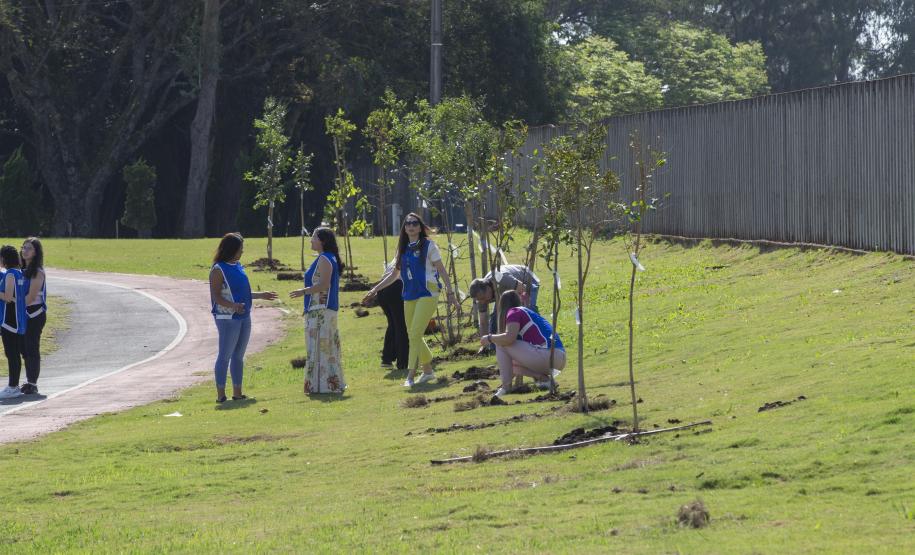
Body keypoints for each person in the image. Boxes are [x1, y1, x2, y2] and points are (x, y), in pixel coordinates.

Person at [363, 213, 458, 387]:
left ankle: (410, 376)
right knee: (412, 334)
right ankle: (428, 370)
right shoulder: (403, 248)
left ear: (420, 227)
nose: (411, 226)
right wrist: (375, 289)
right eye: (408, 224)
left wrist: (450, 293)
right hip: (409, 294)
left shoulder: (429, 246)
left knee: (414, 333)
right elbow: (394, 274)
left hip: (428, 293)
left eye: (414, 223)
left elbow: (442, 271)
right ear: (404, 228)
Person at [209, 233, 277, 403]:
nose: (242, 252)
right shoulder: (218, 269)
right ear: (231, 250)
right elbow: (216, 296)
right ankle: (220, 395)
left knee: (238, 356)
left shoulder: (238, 266)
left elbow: (243, 293)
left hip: (244, 315)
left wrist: (261, 295)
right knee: (225, 355)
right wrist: (233, 306)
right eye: (240, 249)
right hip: (227, 318)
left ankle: (238, 392)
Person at [290, 227, 347, 394]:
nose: (311, 240)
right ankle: (325, 385)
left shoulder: (325, 259)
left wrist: (303, 292)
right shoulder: (327, 257)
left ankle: (324, 387)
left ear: (322, 241)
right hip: (319, 309)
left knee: (320, 348)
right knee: (325, 347)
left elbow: (324, 285)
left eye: (313, 237)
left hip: (322, 310)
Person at [479, 290, 565, 398]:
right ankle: (543, 379)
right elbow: (509, 364)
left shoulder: (514, 312)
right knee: (510, 360)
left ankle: (506, 388)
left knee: (500, 343)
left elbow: (509, 338)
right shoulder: (526, 313)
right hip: (558, 359)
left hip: (550, 356)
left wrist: (489, 338)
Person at [468, 264, 540, 353]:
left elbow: (523, 290)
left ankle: (537, 338)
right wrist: (485, 344)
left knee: (527, 311)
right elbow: (483, 322)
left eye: (482, 298)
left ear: (488, 288)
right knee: (495, 316)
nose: (482, 302)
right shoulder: (480, 297)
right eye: (479, 300)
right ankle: (493, 347)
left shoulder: (502, 279)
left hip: (527, 280)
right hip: (505, 291)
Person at [19, 237, 46, 395]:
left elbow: (30, 298)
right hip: (22, 314)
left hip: (35, 315)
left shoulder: (37, 272)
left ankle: (32, 383)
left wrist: (12, 301)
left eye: (28, 248)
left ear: (36, 252)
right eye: (23, 247)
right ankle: (28, 381)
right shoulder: (21, 270)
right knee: (23, 348)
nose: (24, 251)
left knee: (31, 348)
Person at [0, 246, 27, 399]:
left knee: (11, 354)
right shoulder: (20, 273)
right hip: (18, 317)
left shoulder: (10, 274)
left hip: (10, 319)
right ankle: (14, 385)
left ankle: (12, 387)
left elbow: (8, 297)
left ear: (5, 258)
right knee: (14, 354)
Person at [375, 259, 408, 371]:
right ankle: (403, 362)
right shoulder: (413, 249)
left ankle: (387, 358)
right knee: (401, 326)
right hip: (395, 286)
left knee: (393, 324)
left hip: (383, 287)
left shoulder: (400, 251)